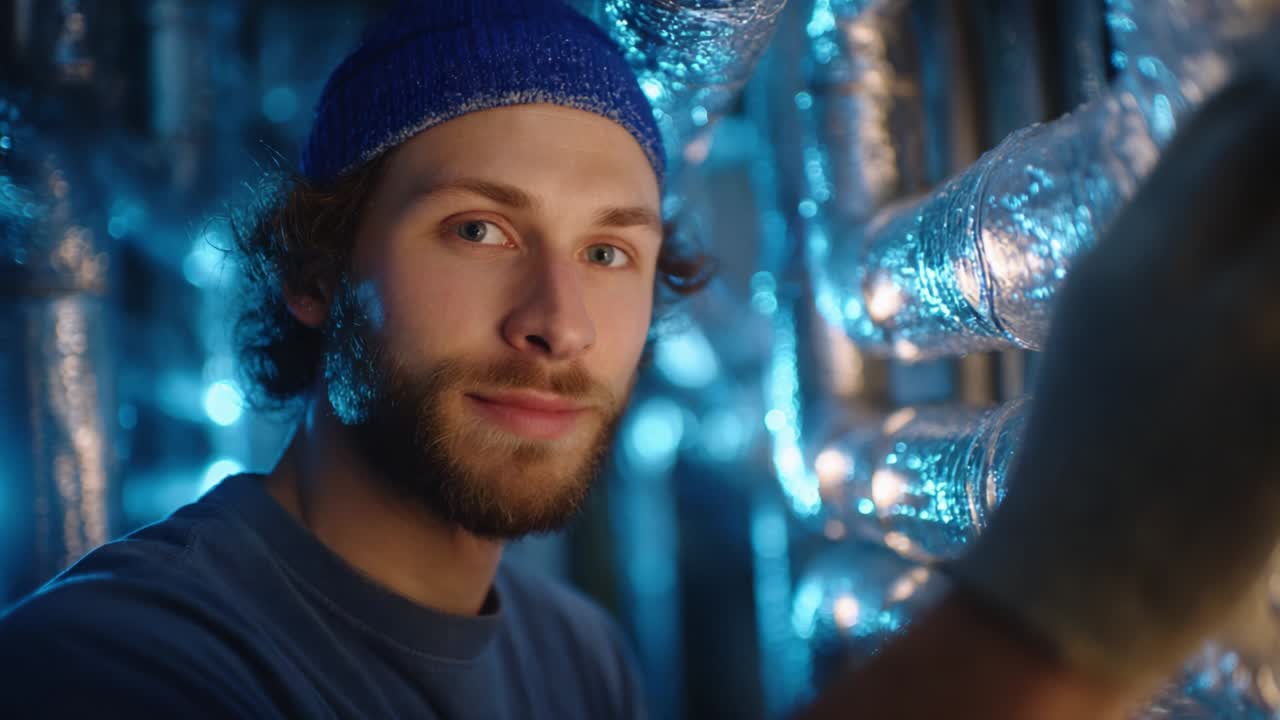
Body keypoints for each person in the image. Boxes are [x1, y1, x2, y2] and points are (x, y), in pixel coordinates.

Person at [3, 0, 1280, 718]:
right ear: (316, 275)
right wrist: (1056, 614)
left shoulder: (576, 659)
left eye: (610, 252)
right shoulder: (115, 668)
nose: (555, 320)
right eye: (478, 229)